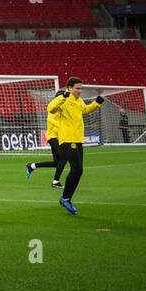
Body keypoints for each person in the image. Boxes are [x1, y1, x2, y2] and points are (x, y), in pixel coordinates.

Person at [48, 77, 103, 214]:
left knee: (79, 170)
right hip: (67, 139)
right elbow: (51, 108)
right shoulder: (63, 99)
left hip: (78, 139)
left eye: (80, 88)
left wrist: (97, 103)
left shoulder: (78, 101)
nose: (79, 91)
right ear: (69, 88)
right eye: (77, 88)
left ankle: (66, 197)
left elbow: (84, 110)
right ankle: (65, 198)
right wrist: (63, 97)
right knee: (76, 169)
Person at [26, 91, 68, 188]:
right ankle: (55, 182)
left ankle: (32, 166)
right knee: (63, 158)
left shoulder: (62, 109)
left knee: (57, 163)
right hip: (53, 137)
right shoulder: (53, 109)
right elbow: (55, 123)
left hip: (59, 138)